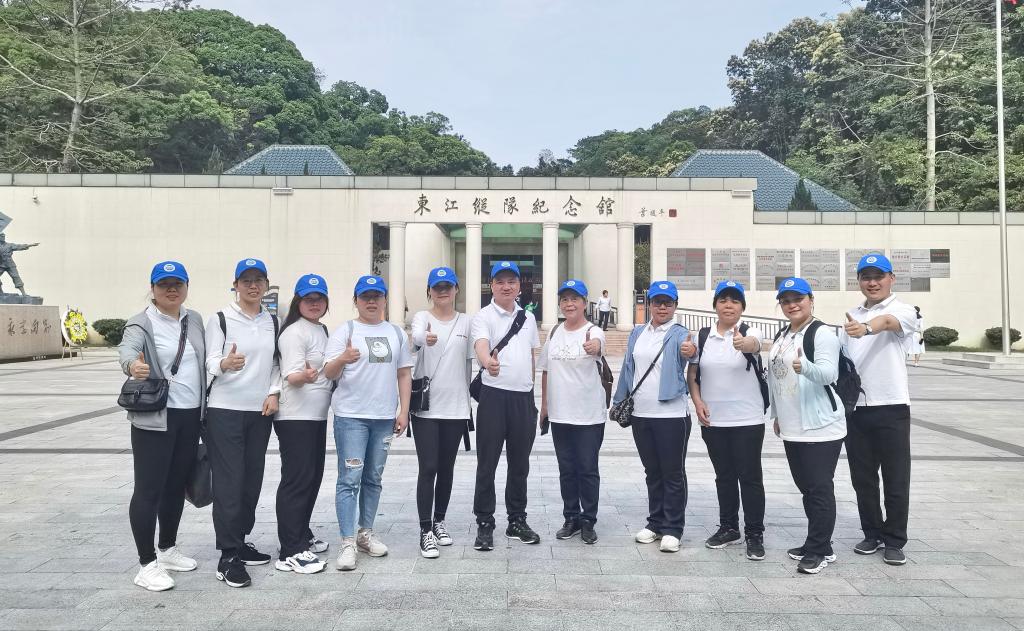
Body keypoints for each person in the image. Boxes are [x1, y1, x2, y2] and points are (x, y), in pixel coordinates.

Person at [119, 261, 206, 591]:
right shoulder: (141, 323)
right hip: (155, 418)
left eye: (177, 284)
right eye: (164, 284)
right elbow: (127, 350)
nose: (171, 289)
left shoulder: (193, 319)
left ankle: (167, 549)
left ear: (186, 287)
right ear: (153, 289)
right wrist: (133, 365)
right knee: (149, 489)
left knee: (175, 485)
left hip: (190, 416)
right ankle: (146, 564)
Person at [324, 275, 414, 571]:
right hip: (351, 417)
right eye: (365, 296)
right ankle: (347, 541)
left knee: (373, 478)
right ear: (356, 301)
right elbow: (328, 373)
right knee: (349, 479)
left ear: (385, 299)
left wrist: (403, 411)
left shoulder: (396, 333)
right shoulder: (345, 331)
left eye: (377, 296)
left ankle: (365, 533)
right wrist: (343, 358)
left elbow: (404, 373)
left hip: (383, 418)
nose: (371, 301)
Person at [204, 258, 281, 589]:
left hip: (259, 412)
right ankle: (228, 555)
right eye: (245, 280)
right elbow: (208, 360)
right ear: (235, 285)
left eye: (258, 280)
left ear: (266, 285)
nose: (252, 285)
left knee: (251, 480)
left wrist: (274, 392)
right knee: (229, 482)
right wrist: (224, 362)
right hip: (225, 411)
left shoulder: (272, 321)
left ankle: (240, 540)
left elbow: (276, 363)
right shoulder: (221, 319)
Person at [841, 253, 919, 566]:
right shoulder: (852, 314)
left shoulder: (903, 310)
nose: (872, 283)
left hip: (891, 407)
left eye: (878, 276)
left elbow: (886, 323)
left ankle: (895, 540)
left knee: (896, 478)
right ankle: (872, 533)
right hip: (856, 409)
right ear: (859, 280)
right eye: (866, 277)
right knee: (863, 478)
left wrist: (865, 328)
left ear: (891, 279)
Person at [685, 280, 768, 561]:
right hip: (714, 420)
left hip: (747, 419)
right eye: (723, 300)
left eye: (734, 301)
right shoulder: (704, 336)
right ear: (715, 306)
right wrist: (697, 402)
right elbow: (693, 374)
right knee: (724, 476)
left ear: (742, 307)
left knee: (750, 477)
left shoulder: (750, 331)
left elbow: (755, 344)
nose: (728, 305)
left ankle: (754, 533)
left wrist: (744, 344)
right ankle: (729, 527)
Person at [768, 277, 846, 575]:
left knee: (819, 488)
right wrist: (778, 415)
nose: (792, 305)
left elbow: (828, 373)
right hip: (792, 425)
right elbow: (776, 377)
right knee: (807, 488)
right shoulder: (784, 334)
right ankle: (819, 542)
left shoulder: (822, 333)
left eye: (798, 299)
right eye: (786, 301)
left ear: (811, 300)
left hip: (820, 426)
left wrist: (806, 367)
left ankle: (818, 549)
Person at [613, 280, 694, 554]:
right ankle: (655, 522)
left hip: (671, 414)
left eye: (668, 302)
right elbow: (628, 367)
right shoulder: (638, 332)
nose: (662, 307)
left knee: (673, 473)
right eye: (657, 302)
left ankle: (673, 527)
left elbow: (691, 355)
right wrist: (619, 400)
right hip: (641, 413)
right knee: (653, 472)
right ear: (649, 304)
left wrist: (691, 353)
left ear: (675, 306)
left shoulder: (680, 333)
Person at [471, 260, 541, 552]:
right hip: (494, 397)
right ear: (491, 286)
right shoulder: (483, 316)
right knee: (487, 464)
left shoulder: (528, 318)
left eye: (511, 281)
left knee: (520, 464)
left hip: (522, 399)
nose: (506, 286)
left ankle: (517, 520)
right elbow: (481, 345)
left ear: (519, 285)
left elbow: (531, 356)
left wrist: (532, 393)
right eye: (500, 281)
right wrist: (488, 362)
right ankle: (485, 522)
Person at [409, 266, 473, 558]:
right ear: (430, 292)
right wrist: (424, 339)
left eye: (448, 286)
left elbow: (471, 360)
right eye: (437, 287)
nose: (443, 291)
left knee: (447, 468)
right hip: (427, 407)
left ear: (456, 289)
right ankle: (425, 531)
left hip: (456, 407)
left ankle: (439, 522)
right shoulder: (423, 318)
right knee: (429, 467)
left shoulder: (466, 322)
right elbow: (416, 337)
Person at [272, 274, 333, 575]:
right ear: (298, 301)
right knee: (296, 480)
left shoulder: (321, 329)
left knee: (312, 477)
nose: (314, 303)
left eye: (319, 298)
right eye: (308, 298)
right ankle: (290, 550)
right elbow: (291, 376)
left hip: (316, 416)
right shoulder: (294, 332)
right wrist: (306, 376)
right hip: (295, 416)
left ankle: (301, 533)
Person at [539, 280, 607, 544]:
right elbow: (546, 370)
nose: (569, 304)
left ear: (584, 303)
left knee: (587, 469)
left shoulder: (593, 331)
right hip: (560, 414)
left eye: (575, 299)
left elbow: (599, 345)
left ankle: (589, 519)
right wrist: (545, 406)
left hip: (588, 415)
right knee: (566, 469)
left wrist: (595, 347)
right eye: (565, 299)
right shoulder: (554, 332)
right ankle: (571, 517)